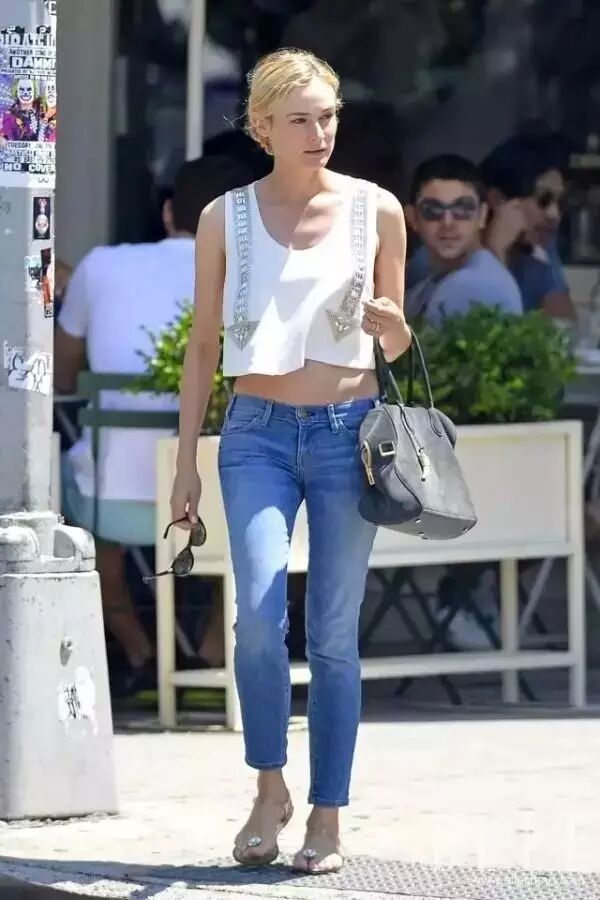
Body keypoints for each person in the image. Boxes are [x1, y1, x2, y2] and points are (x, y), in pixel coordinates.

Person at [170, 48, 411, 874]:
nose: (319, 133)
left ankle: (328, 814)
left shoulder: (377, 210)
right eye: (300, 119)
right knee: (258, 618)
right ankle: (268, 786)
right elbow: (203, 346)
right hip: (257, 434)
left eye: (328, 117)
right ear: (262, 126)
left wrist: (393, 327)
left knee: (335, 634)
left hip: (349, 431)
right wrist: (186, 461)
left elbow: (397, 342)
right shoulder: (223, 218)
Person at [54, 154, 249, 696]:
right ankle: (210, 655)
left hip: (111, 509)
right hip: (218, 509)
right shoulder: (256, 280)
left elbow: (62, 374)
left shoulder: (101, 266)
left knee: (68, 491)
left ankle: (141, 652)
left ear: (167, 213)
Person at [404, 154, 523, 324]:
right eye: (432, 210)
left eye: (463, 209)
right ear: (412, 217)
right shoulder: (434, 277)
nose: (448, 223)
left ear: (482, 215)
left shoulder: (472, 284)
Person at [481, 133, 576, 320]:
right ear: (498, 201)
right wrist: (497, 252)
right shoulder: (451, 251)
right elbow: (490, 330)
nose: (555, 215)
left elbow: (565, 326)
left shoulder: (539, 246)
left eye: (561, 202)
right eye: (543, 200)